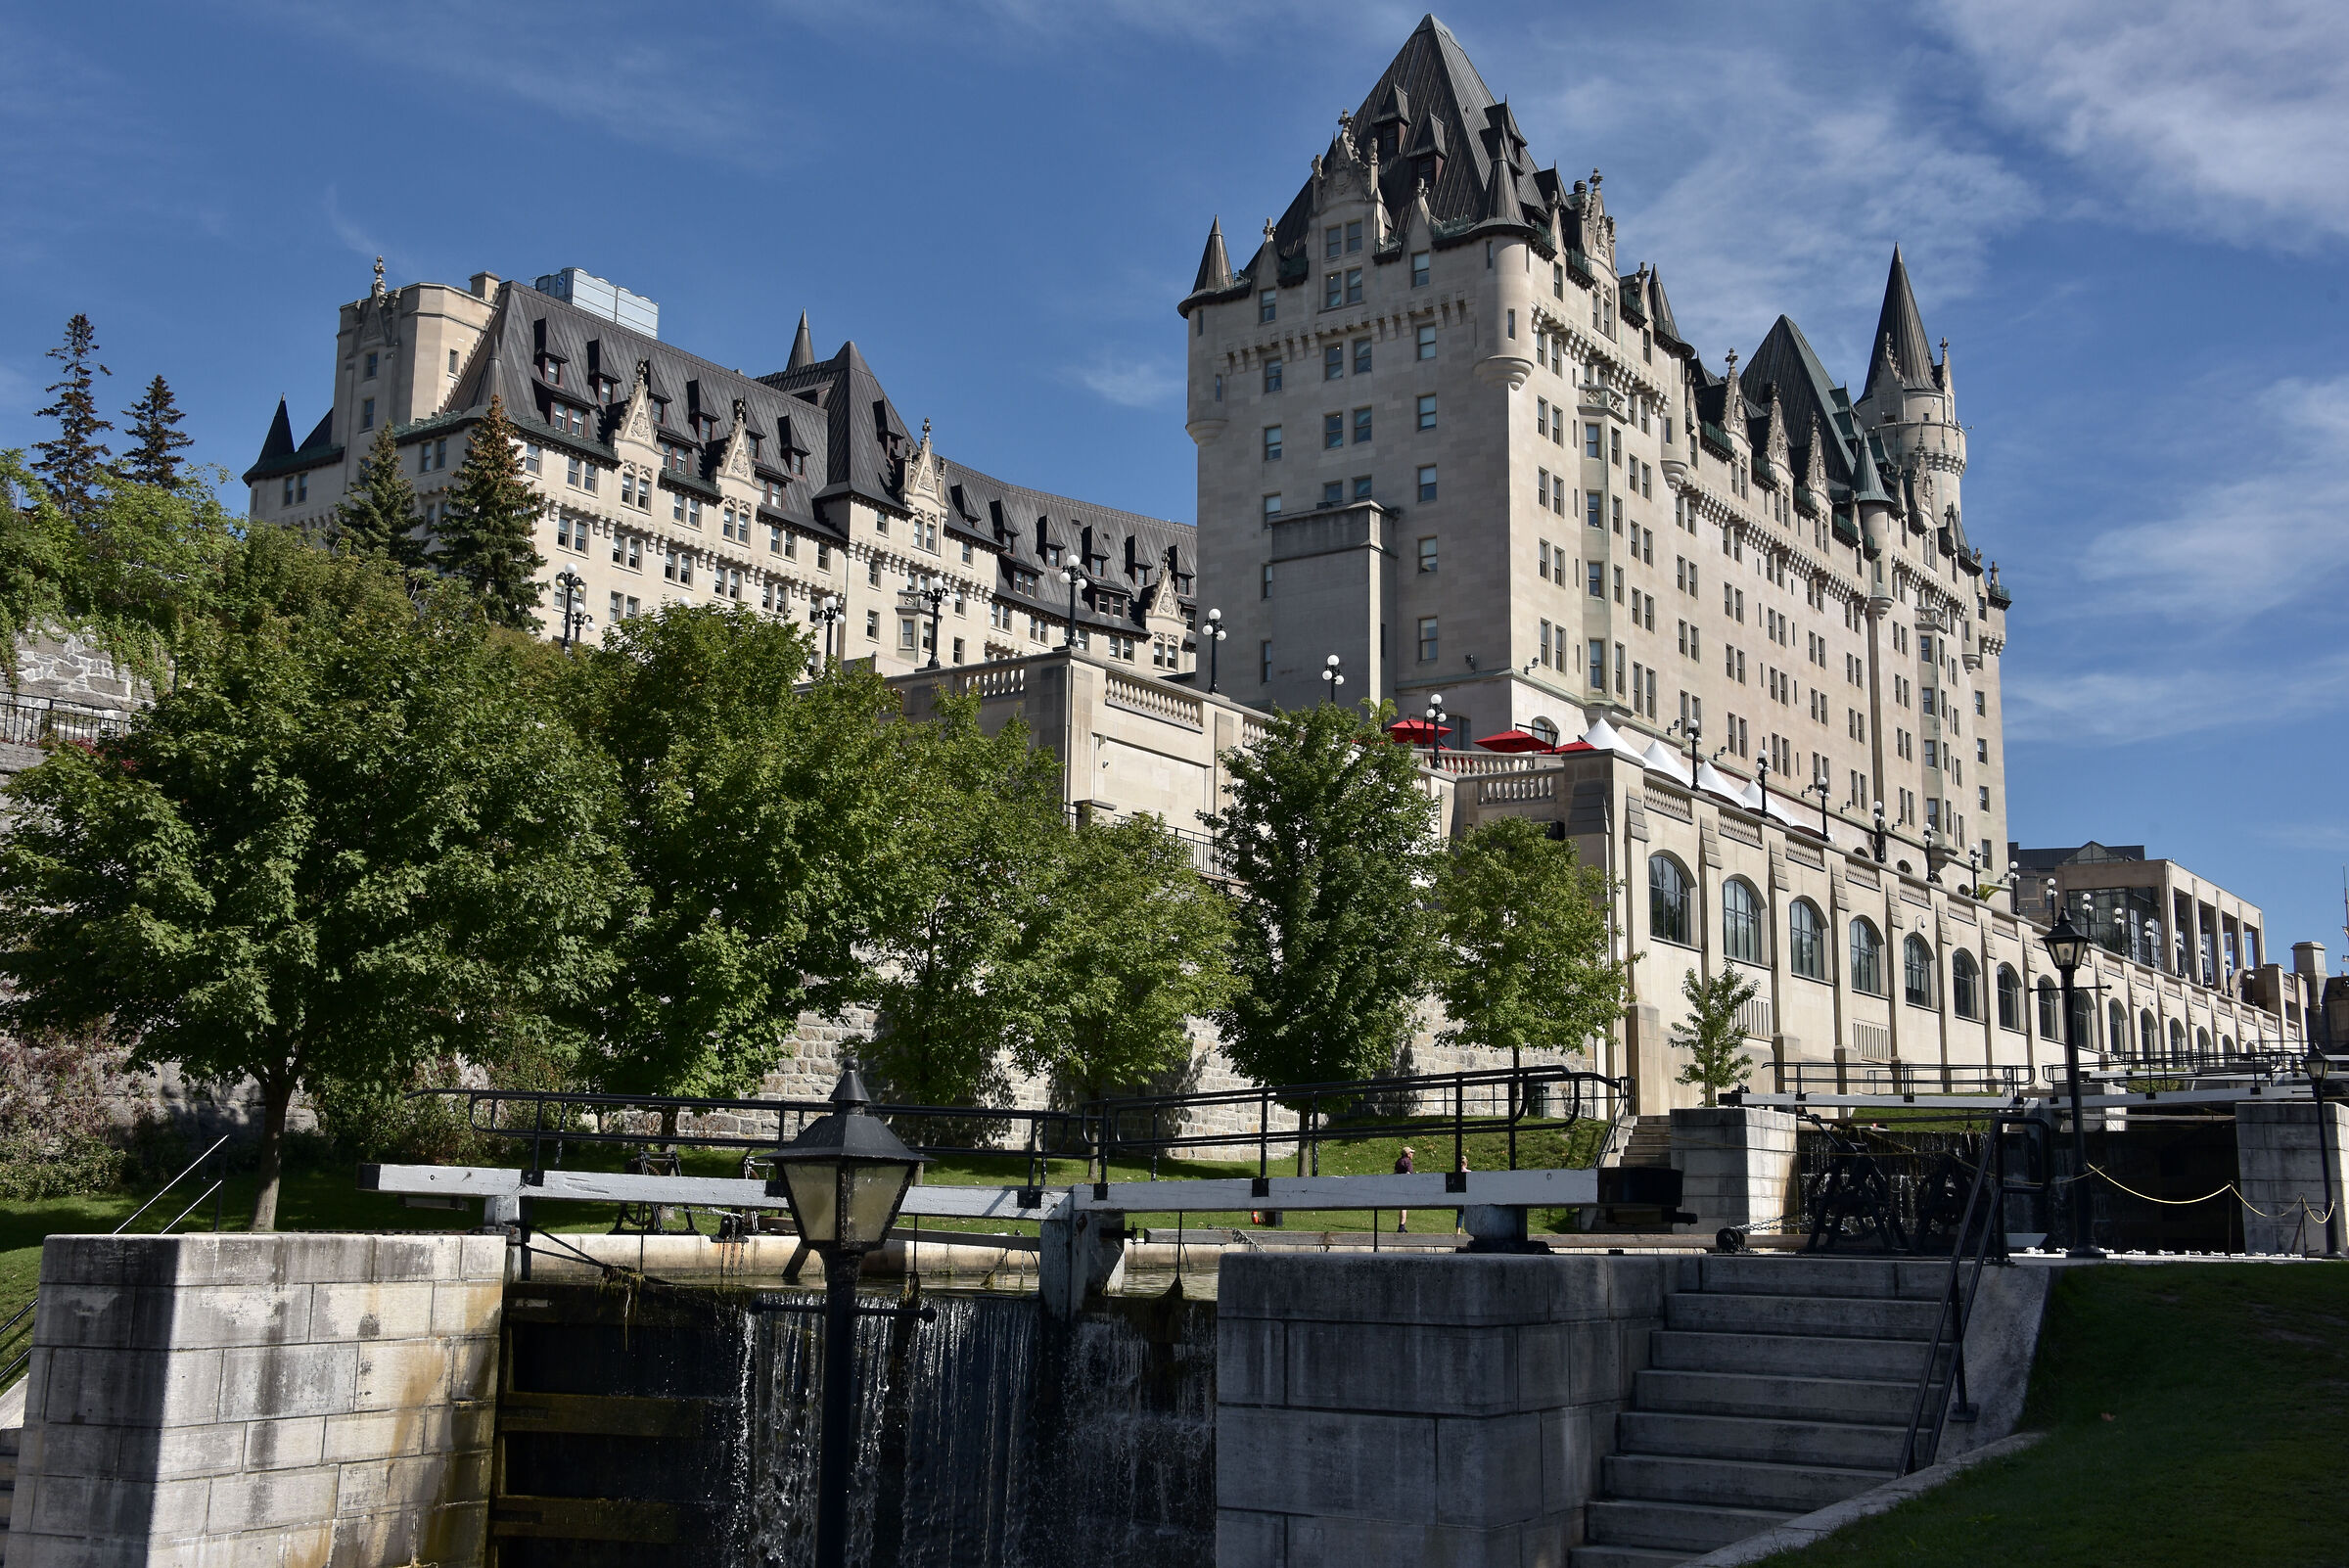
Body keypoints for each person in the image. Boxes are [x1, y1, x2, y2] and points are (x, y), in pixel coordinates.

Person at [1393, 1144, 1414, 1231]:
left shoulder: (1398, 1161)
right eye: (1411, 1153)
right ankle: (1402, 1226)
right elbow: (1409, 1173)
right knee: (1404, 1207)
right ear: (1408, 1154)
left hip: (1398, 1186)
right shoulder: (1408, 1162)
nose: (1412, 1154)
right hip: (1405, 1186)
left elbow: (1394, 1173)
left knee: (1401, 1207)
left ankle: (1400, 1225)